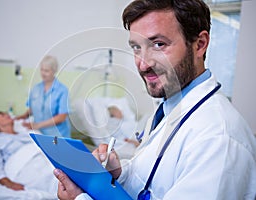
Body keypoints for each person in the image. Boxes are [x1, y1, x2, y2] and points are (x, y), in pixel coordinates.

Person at [53, 0, 256, 199]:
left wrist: (80, 199)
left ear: (199, 45)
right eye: (136, 47)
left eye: (158, 44)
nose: (142, 64)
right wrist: (120, 174)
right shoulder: (168, 109)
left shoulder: (218, 138)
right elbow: (152, 181)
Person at [0, 111, 57, 196]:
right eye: (2, 115)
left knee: (62, 174)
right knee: (53, 179)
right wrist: (9, 183)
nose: (7, 115)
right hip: (24, 166)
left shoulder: (26, 134)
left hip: (42, 159)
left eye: (6, 114)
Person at [16, 55, 71, 137]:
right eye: (41, 69)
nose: (43, 73)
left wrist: (37, 125)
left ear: (54, 71)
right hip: (39, 133)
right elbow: (32, 109)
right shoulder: (36, 88)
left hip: (57, 135)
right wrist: (22, 117)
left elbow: (61, 117)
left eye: (46, 71)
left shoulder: (62, 90)